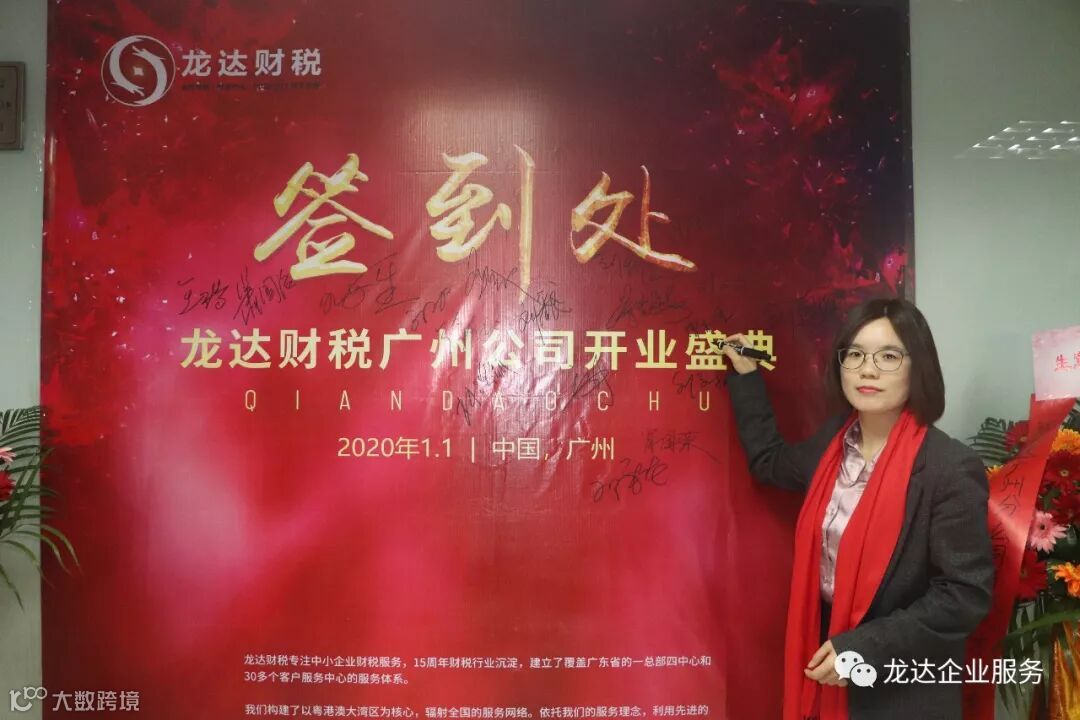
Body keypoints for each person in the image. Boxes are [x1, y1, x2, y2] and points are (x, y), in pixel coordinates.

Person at [721, 297, 994, 720]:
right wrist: (746, 376)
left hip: (903, 688)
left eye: (888, 356)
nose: (868, 370)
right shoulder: (832, 446)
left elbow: (964, 595)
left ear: (918, 367)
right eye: (855, 355)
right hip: (826, 668)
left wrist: (863, 648)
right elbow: (769, 461)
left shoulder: (948, 467)